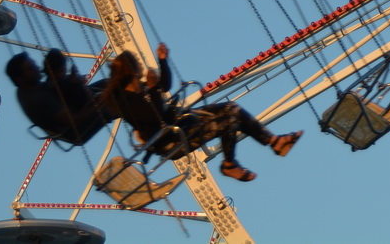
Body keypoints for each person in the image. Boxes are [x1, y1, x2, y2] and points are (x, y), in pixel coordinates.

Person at [97, 45, 299, 183]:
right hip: (171, 140)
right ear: (132, 70)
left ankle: (274, 141)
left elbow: (164, 86)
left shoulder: (140, 87)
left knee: (232, 108)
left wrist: (163, 61)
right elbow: (154, 115)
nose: (142, 66)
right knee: (229, 121)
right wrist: (151, 88)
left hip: (180, 121)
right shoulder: (127, 100)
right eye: (138, 64)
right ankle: (229, 165)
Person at [7, 48, 110, 146]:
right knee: (113, 103)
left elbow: (57, 86)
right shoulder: (39, 99)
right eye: (31, 68)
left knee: (107, 83)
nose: (37, 68)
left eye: (34, 65)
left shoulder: (28, 88)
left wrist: (72, 81)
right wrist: (100, 101)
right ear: (19, 79)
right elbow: (73, 120)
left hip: (74, 105)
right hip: (76, 129)